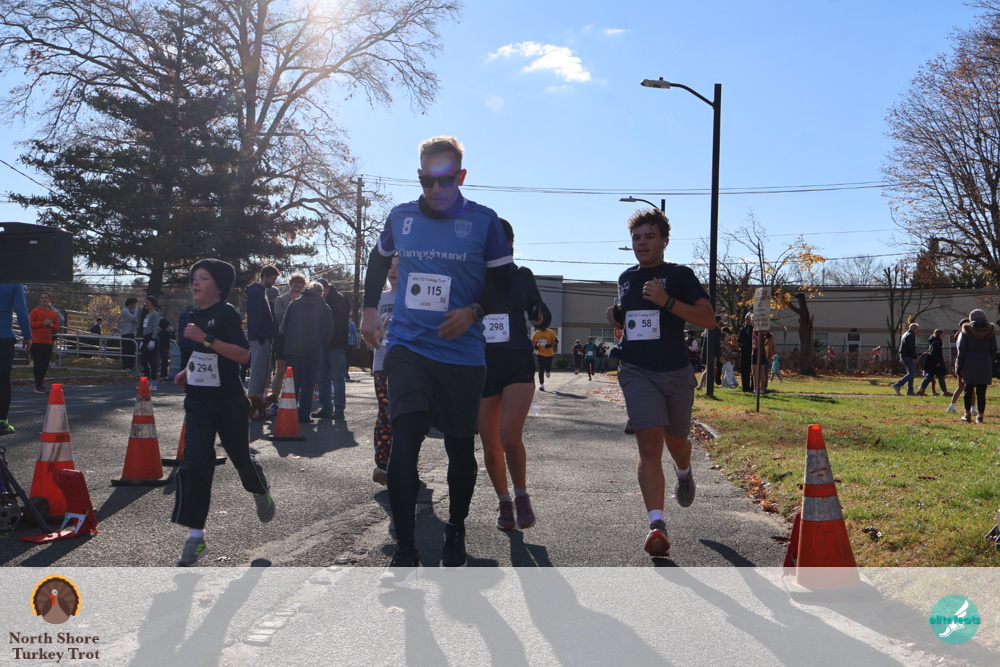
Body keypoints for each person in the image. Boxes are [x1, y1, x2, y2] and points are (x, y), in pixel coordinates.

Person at [360, 135, 512, 581]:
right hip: (408, 348)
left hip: (462, 354)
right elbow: (377, 262)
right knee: (404, 442)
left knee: (459, 448)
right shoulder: (401, 217)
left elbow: (502, 285)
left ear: (460, 176)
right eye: (426, 180)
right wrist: (368, 310)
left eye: (444, 180)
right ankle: (405, 548)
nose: (435, 189)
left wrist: (474, 312)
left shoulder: (484, 222)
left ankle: (455, 530)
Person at [605, 207, 715, 559]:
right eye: (636, 238)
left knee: (676, 440)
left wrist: (667, 301)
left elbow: (708, 319)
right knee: (649, 446)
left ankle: (684, 471)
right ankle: (657, 524)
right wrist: (618, 319)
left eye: (649, 237)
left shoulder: (679, 275)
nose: (642, 243)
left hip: (675, 372)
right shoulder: (626, 278)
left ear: (664, 241)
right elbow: (635, 322)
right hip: (637, 371)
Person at [172, 258, 275, 566]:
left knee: (241, 459)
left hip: (228, 402)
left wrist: (204, 338)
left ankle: (259, 489)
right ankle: (195, 537)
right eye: (194, 277)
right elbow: (202, 357)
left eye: (203, 278)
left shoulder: (226, 313)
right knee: (194, 465)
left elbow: (243, 355)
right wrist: (186, 372)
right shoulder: (192, 316)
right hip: (198, 403)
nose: (195, 282)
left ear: (218, 287)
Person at [479, 218, 549, 532]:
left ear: (510, 244)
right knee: (491, 445)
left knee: (509, 436)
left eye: (499, 241)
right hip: (482, 364)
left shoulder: (522, 275)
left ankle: (521, 496)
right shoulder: (473, 276)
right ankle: (504, 501)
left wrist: (540, 314)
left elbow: (539, 308)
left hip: (517, 361)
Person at [282, 281, 333, 424]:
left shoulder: (294, 304)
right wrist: (323, 344)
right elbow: (328, 330)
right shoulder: (324, 308)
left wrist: (290, 340)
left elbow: (285, 325)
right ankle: (304, 414)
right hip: (313, 349)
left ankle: (289, 412)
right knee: (308, 382)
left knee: (292, 382)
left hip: (293, 348)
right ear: (321, 293)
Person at [371, 256, 399, 485]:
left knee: (404, 415)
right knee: (385, 412)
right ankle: (382, 464)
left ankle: (404, 461)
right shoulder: (379, 298)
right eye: (390, 266)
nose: (393, 271)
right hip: (381, 364)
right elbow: (368, 333)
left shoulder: (413, 296)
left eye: (399, 267)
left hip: (407, 365)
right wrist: (376, 332)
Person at [246, 265, 280, 420]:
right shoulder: (256, 293)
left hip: (263, 338)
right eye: (272, 279)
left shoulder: (261, 292)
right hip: (260, 338)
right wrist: (260, 337)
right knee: (258, 373)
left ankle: (256, 405)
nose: (273, 282)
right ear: (265, 276)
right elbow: (254, 317)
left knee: (262, 373)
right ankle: (251, 406)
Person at [267, 274, 307, 406]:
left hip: (298, 338)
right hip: (283, 337)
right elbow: (279, 317)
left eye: (300, 287)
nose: (297, 290)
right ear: (290, 285)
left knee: (297, 370)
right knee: (281, 369)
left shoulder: (305, 301)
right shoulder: (281, 299)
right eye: (295, 286)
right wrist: (291, 303)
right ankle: (274, 399)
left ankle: (292, 400)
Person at [314, 280, 350, 421]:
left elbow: (340, 322)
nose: (320, 293)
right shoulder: (319, 301)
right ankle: (326, 408)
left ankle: (339, 409)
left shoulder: (341, 300)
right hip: (322, 345)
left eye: (322, 290)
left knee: (338, 378)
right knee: (322, 378)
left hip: (337, 344)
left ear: (328, 287)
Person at [0, 283, 31, 433]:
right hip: (4, 337)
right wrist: (27, 335)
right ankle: (2, 421)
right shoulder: (14, 282)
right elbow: (21, 311)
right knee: (3, 380)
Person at [957, 310, 996, 424]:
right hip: (985, 362)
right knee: (982, 391)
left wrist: (959, 366)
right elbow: (994, 349)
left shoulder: (966, 330)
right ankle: (980, 415)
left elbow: (961, 350)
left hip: (970, 361)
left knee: (968, 389)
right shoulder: (990, 331)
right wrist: (989, 359)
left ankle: (967, 413)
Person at [29, 291, 59, 394]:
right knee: (38, 364)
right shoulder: (35, 311)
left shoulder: (53, 313)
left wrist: (51, 325)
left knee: (45, 364)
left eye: (46, 298)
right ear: (39, 300)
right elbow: (30, 324)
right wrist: (42, 323)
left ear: (49, 299)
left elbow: (56, 327)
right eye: (42, 298)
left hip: (48, 342)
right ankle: (38, 385)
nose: (44, 299)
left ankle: (40, 383)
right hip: (36, 342)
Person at [947, 319, 972, 414]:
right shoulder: (963, 335)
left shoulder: (961, 335)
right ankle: (953, 406)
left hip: (961, 361)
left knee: (965, 387)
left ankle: (972, 408)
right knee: (964, 387)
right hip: (963, 362)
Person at [139, 296, 162, 390]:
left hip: (151, 338)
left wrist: (153, 339)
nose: (146, 304)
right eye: (145, 302)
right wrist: (142, 339)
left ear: (152, 303)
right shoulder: (147, 314)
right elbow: (145, 328)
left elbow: (155, 327)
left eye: (148, 302)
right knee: (144, 360)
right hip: (146, 338)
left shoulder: (155, 314)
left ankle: (153, 383)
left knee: (152, 361)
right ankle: (146, 381)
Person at [916, 329, 948, 397]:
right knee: (940, 376)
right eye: (942, 334)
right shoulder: (937, 342)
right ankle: (945, 391)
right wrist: (937, 362)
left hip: (932, 363)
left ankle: (921, 390)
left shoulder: (934, 341)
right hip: (936, 363)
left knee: (930, 376)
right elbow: (934, 353)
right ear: (939, 335)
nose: (943, 336)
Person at [892, 322, 920, 396]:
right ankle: (898, 385)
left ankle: (910, 391)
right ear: (914, 329)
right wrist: (915, 357)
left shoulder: (905, 334)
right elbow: (911, 348)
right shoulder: (911, 335)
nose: (918, 331)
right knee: (912, 373)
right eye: (917, 329)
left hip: (904, 355)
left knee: (910, 373)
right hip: (908, 356)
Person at [531, 324, 558, 391]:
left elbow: (557, 341)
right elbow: (534, 340)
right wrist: (535, 346)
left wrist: (550, 345)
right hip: (540, 353)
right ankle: (541, 385)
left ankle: (548, 371)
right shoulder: (536, 333)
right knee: (541, 368)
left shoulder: (551, 332)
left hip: (549, 353)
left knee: (548, 367)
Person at [119, 297, 140, 370]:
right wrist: (136, 311)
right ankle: (126, 365)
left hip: (131, 332)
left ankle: (131, 365)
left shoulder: (130, 311)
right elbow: (133, 318)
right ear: (130, 304)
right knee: (126, 350)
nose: (135, 306)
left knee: (131, 350)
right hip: (126, 332)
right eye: (134, 304)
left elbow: (135, 320)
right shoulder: (125, 310)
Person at [737, 313, 754, 393]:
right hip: (744, 352)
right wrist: (742, 345)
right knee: (744, 369)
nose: (748, 321)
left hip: (752, 351)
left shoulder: (753, 329)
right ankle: (745, 387)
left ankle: (753, 387)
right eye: (747, 320)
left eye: (750, 320)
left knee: (752, 370)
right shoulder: (742, 329)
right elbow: (739, 340)